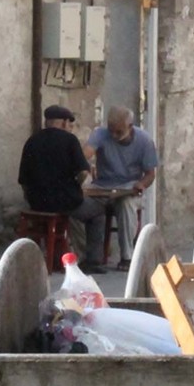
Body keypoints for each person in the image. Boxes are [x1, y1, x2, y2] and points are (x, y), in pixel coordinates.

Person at [18, 104, 108, 274]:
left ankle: (61, 254)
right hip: (65, 202)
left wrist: (32, 199)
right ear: (64, 123)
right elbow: (83, 171)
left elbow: (23, 180)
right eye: (70, 124)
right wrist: (77, 185)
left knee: (72, 213)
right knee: (98, 212)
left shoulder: (32, 141)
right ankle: (92, 260)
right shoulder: (69, 141)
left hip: (37, 203)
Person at [84, 106, 158, 272]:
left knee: (126, 204)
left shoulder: (144, 141)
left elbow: (150, 174)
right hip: (103, 186)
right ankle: (88, 256)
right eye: (111, 131)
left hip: (129, 187)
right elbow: (86, 154)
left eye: (118, 132)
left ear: (130, 127)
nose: (113, 136)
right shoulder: (101, 134)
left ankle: (127, 256)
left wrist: (141, 184)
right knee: (78, 203)